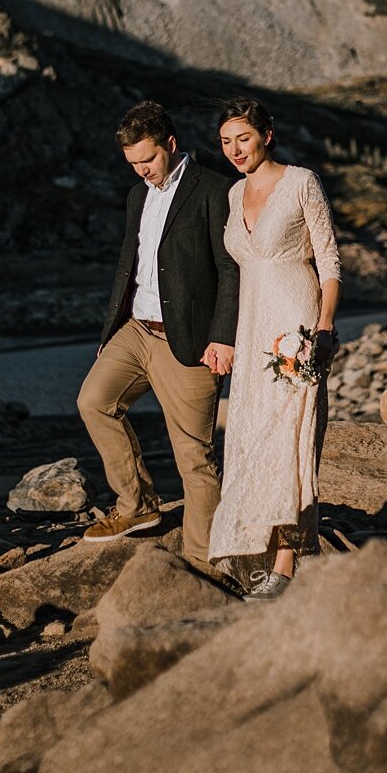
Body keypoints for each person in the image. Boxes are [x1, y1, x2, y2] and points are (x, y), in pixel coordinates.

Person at [77, 100, 238, 575]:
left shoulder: (214, 190)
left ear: (171, 144)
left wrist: (223, 337)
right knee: (94, 402)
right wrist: (112, 330)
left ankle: (203, 561)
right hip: (135, 330)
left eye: (147, 160)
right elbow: (129, 265)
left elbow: (230, 270)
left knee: (194, 456)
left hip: (188, 341)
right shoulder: (136, 195)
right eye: (133, 164)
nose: (142, 171)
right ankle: (137, 504)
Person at [208, 97, 341, 599]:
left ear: (266, 133)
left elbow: (329, 261)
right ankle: (257, 549)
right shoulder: (233, 193)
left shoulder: (302, 181)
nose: (234, 149)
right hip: (251, 324)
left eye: (242, 137)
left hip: (295, 319)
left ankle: (284, 562)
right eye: (225, 141)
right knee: (249, 435)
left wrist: (324, 327)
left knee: (289, 436)